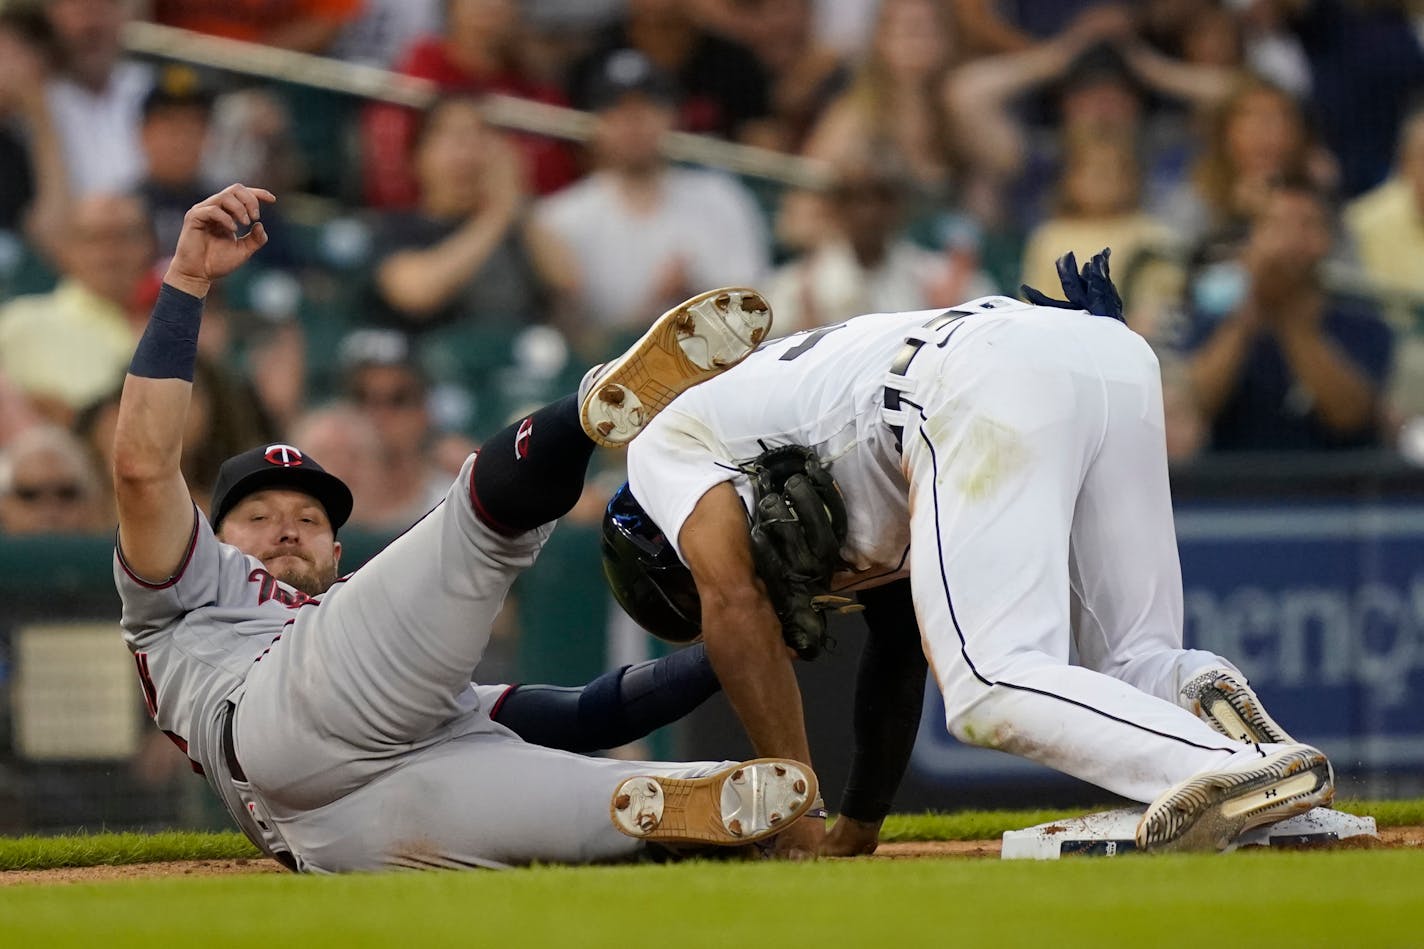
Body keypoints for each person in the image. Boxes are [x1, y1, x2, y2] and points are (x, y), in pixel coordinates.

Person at [111, 182, 810, 872]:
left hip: (350, 826)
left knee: (613, 805)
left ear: (337, 548)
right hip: (270, 718)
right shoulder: (187, 586)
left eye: (308, 517)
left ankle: (702, 808)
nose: (287, 528)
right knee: (471, 532)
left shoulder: (382, 654)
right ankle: (586, 408)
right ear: (210, 535)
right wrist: (187, 279)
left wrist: (738, 640)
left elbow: (587, 715)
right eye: (258, 517)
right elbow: (143, 466)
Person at [607, 248, 1335, 855]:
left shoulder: (658, 446)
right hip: (1096, 348)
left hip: (971, 381)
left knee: (993, 682)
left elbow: (734, 602)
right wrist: (852, 828)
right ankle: (1255, 759)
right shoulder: (779, 436)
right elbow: (896, 649)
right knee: (1132, 658)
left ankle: (1233, 768)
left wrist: (796, 811)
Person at [1183, 177, 1393, 451]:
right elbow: (1195, 407)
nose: (1290, 240)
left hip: (1337, 486)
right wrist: (1244, 318)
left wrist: (1294, 322)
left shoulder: (1363, 318)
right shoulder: (1211, 312)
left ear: (1329, 239)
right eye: (1276, 225)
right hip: (1230, 486)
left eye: (1306, 225)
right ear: (1252, 238)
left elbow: (1350, 417)